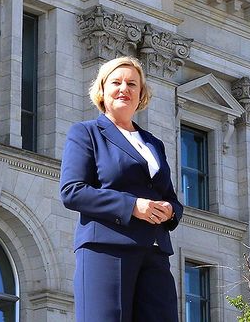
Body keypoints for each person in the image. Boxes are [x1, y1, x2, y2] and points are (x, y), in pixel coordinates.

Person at [60, 56, 183, 322]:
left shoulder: (153, 144)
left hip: (155, 252)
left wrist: (170, 211)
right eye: (116, 82)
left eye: (132, 84)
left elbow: (171, 198)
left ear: (141, 95)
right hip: (107, 248)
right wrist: (132, 206)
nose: (124, 88)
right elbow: (72, 191)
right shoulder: (86, 133)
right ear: (102, 91)